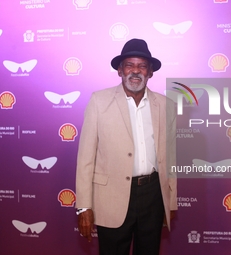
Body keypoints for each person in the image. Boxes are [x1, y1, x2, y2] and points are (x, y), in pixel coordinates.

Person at [75, 38, 177, 255]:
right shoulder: (99, 101)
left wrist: (172, 200)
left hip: (153, 196)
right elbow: (85, 158)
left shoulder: (167, 105)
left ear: (150, 72)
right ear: (120, 70)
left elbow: (170, 158)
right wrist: (84, 206)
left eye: (142, 66)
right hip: (111, 196)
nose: (135, 71)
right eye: (129, 65)